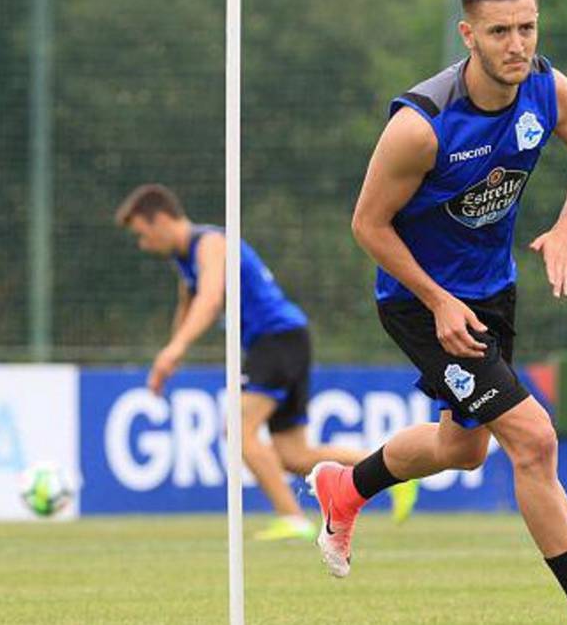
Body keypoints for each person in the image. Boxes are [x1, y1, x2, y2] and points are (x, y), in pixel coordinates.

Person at [306, 0, 567, 624]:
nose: (518, 45)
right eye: (499, 32)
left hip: (491, 290)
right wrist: (437, 301)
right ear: (468, 35)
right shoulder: (421, 126)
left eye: (527, 27)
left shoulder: (549, 90)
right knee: (535, 439)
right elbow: (367, 225)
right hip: (417, 297)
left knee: (463, 447)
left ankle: (345, 487)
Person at [115, 185, 418, 540]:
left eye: (142, 233)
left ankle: (293, 519)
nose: (143, 243)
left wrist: (176, 349)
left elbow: (210, 299)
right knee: (294, 454)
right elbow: (189, 303)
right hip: (283, 339)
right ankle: (390, 469)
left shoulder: (209, 243)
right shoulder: (185, 258)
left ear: (162, 219)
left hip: (276, 340)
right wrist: (169, 355)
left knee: (238, 432)